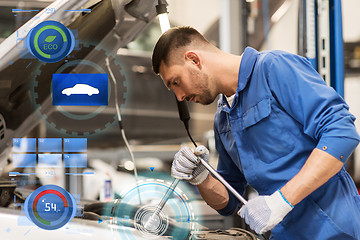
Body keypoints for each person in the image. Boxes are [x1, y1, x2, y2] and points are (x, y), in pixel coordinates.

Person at [151, 26, 360, 239]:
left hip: (333, 229)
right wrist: (202, 177)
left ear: (194, 60)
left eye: (175, 82)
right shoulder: (223, 119)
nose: (179, 96)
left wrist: (283, 200)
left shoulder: (273, 68)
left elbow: (341, 132)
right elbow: (229, 201)